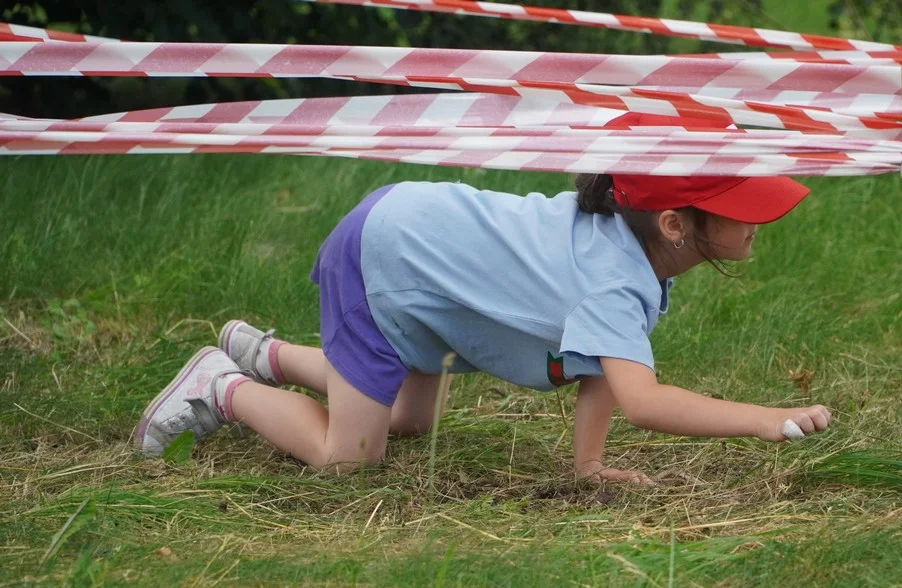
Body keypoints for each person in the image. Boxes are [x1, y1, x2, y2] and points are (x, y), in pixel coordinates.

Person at [133, 113, 831, 484]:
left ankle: (268, 354)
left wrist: (587, 469)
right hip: (387, 258)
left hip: (420, 254)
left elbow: (599, 364)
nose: (760, 219)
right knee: (349, 458)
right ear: (676, 226)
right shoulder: (616, 275)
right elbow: (641, 398)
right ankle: (220, 386)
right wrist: (765, 420)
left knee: (409, 417)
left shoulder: (634, 250)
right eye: (741, 206)